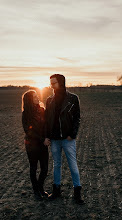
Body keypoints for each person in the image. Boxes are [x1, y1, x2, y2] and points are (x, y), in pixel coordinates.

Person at [44, 74, 84, 204]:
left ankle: (77, 193)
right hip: (54, 139)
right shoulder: (49, 100)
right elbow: (46, 120)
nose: (51, 85)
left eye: (54, 83)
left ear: (61, 83)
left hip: (68, 139)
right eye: (50, 83)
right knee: (57, 165)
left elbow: (77, 118)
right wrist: (47, 136)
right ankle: (56, 191)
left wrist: (72, 134)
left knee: (73, 165)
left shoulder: (73, 99)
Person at [22, 90, 49, 201]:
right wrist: (43, 139)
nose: (37, 97)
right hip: (32, 145)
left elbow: (47, 126)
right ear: (29, 100)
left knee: (45, 168)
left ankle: (40, 187)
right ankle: (36, 191)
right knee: (33, 168)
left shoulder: (42, 110)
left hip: (43, 144)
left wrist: (47, 138)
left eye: (37, 95)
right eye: (34, 96)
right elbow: (28, 131)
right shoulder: (26, 114)